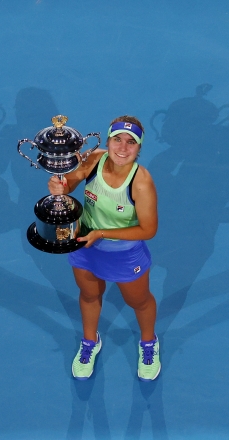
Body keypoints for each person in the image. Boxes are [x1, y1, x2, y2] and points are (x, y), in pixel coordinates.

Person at [47, 116, 160, 381]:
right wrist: (59, 187)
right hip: (84, 244)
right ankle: (90, 341)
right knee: (88, 295)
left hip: (123, 253)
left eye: (131, 142)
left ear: (139, 148)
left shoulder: (141, 182)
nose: (122, 147)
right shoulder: (94, 159)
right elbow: (71, 182)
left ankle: (148, 343)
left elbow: (148, 230)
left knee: (138, 301)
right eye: (117, 139)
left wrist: (102, 233)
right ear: (108, 141)